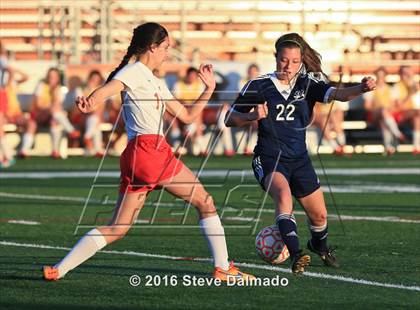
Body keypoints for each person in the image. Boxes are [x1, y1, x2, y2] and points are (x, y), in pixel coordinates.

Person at [43, 22, 254, 282]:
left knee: (118, 228)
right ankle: (223, 268)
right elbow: (110, 89)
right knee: (205, 201)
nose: (167, 53)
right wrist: (91, 101)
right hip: (149, 151)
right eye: (165, 48)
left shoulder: (153, 80)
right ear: (152, 47)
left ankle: (59, 269)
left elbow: (187, 116)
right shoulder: (135, 71)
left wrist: (208, 89)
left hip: (144, 153)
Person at [225, 33, 376, 274]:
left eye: (295, 61)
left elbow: (340, 94)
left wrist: (362, 88)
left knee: (319, 216)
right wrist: (252, 116)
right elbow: (229, 119)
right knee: (283, 195)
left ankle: (319, 246)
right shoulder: (259, 85)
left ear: (301, 61)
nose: (289, 66)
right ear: (276, 58)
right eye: (284, 60)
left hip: (299, 159)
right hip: (269, 157)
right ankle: (296, 254)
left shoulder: (308, 84)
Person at [19, 67, 80, 158]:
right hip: (38, 115)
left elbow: (58, 105)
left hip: (51, 117)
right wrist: (50, 107)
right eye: (50, 76)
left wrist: (54, 93)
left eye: (54, 76)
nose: (52, 78)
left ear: (58, 78)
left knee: (54, 121)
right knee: (34, 124)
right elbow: (38, 104)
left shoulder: (59, 89)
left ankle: (55, 151)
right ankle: (70, 130)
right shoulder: (41, 86)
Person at [364, 67, 406, 155]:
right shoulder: (371, 90)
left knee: (383, 120)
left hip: (388, 116)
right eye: (378, 76)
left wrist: (387, 110)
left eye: (382, 76)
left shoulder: (391, 89)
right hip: (375, 114)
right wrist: (380, 110)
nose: (380, 79)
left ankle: (389, 148)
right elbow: (367, 107)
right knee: (383, 111)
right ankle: (397, 134)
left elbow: (397, 105)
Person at [173, 66, 206, 155]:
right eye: (190, 76)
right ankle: (200, 147)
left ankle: (190, 133)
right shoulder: (178, 84)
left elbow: (200, 101)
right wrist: (187, 106)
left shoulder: (200, 85)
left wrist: (191, 107)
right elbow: (177, 99)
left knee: (198, 116)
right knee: (173, 121)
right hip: (181, 110)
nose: (192, 78)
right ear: (187, 76)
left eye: (194, 76)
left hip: (194, 110)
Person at [391, 66, 420, 155]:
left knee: (417, 118)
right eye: (404, 73)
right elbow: (400, 107)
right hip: (401, 115)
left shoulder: (415, 85)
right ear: (400, 75)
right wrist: (410, 94)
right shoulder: (396, 87)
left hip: (414, 114)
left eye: (408, 73)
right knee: (417, 113)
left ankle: (416, 147)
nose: (407, 75)